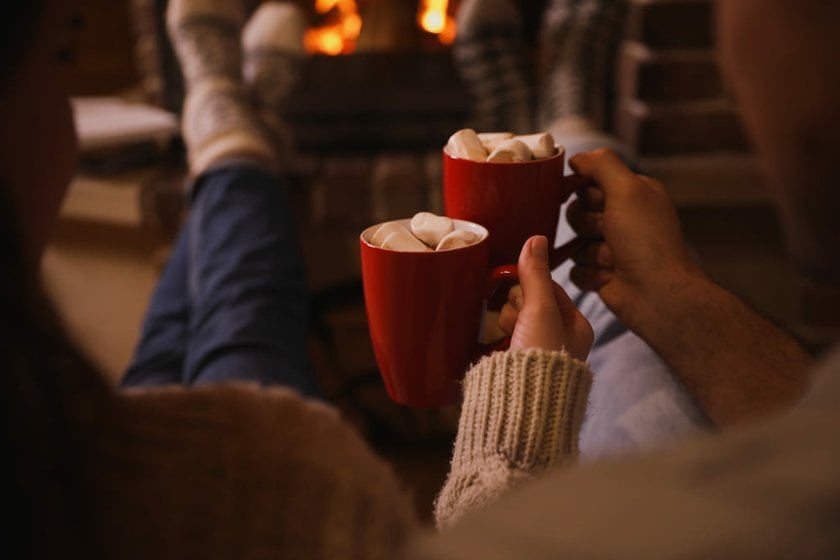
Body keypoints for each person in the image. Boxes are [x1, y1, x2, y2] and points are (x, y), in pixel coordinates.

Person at [2, 0, 594, 557]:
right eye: (63, 57)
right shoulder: (288, 482)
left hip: (117, 453)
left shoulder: (53, 451)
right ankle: (238, 134)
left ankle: (231, 126)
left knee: (195, 327)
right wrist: (523, 428)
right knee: (244, 312)